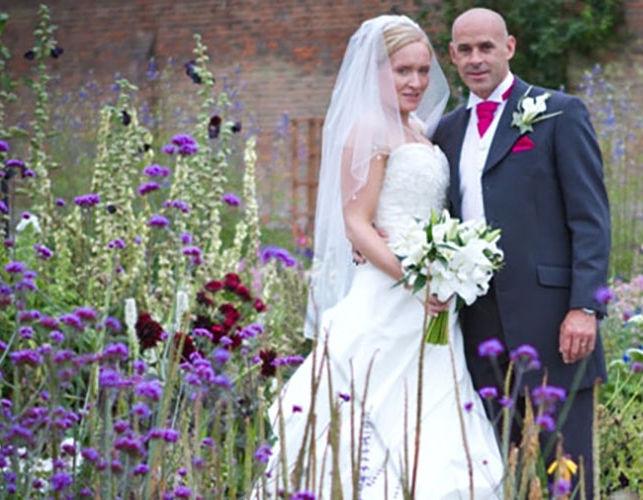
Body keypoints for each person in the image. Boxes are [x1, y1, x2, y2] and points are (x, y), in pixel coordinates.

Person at [253, 15, 503, 500]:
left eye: (423, 71)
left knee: (435, 414)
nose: (415, 82)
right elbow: (356, 223)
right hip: (392, 298)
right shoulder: (368, 128)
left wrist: (448, 268)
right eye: (402, 71)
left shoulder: (420, 131)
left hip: (432, 305)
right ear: (376, 73)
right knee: (366, 418)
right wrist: (416, 279)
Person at [432, 7, 611, 497]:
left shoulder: (559, 112)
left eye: (485, 47)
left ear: (509, 47)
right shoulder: (446, 131)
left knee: (565, 460)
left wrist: (585, 306)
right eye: (464, 49)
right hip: (477, 324)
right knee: (500, 457)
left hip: (554, 319)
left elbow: (591, 219)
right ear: (451, 55)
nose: (475, 59)